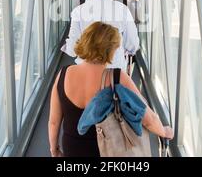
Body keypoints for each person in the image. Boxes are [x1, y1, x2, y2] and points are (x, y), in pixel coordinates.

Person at [49, 22, 174, 157]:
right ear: (111, 49)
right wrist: (163, 131)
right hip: (107, 149)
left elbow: (54, 122)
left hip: (72, 148)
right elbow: (147, 117)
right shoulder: (116, 77)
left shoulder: (63, 74)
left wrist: (54, 149)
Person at [62, 0, 139, 70]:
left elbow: (72, 49)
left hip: (86, 72)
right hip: (115, 71)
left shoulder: (78, 12)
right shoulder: (122, 9)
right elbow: (133, 44)